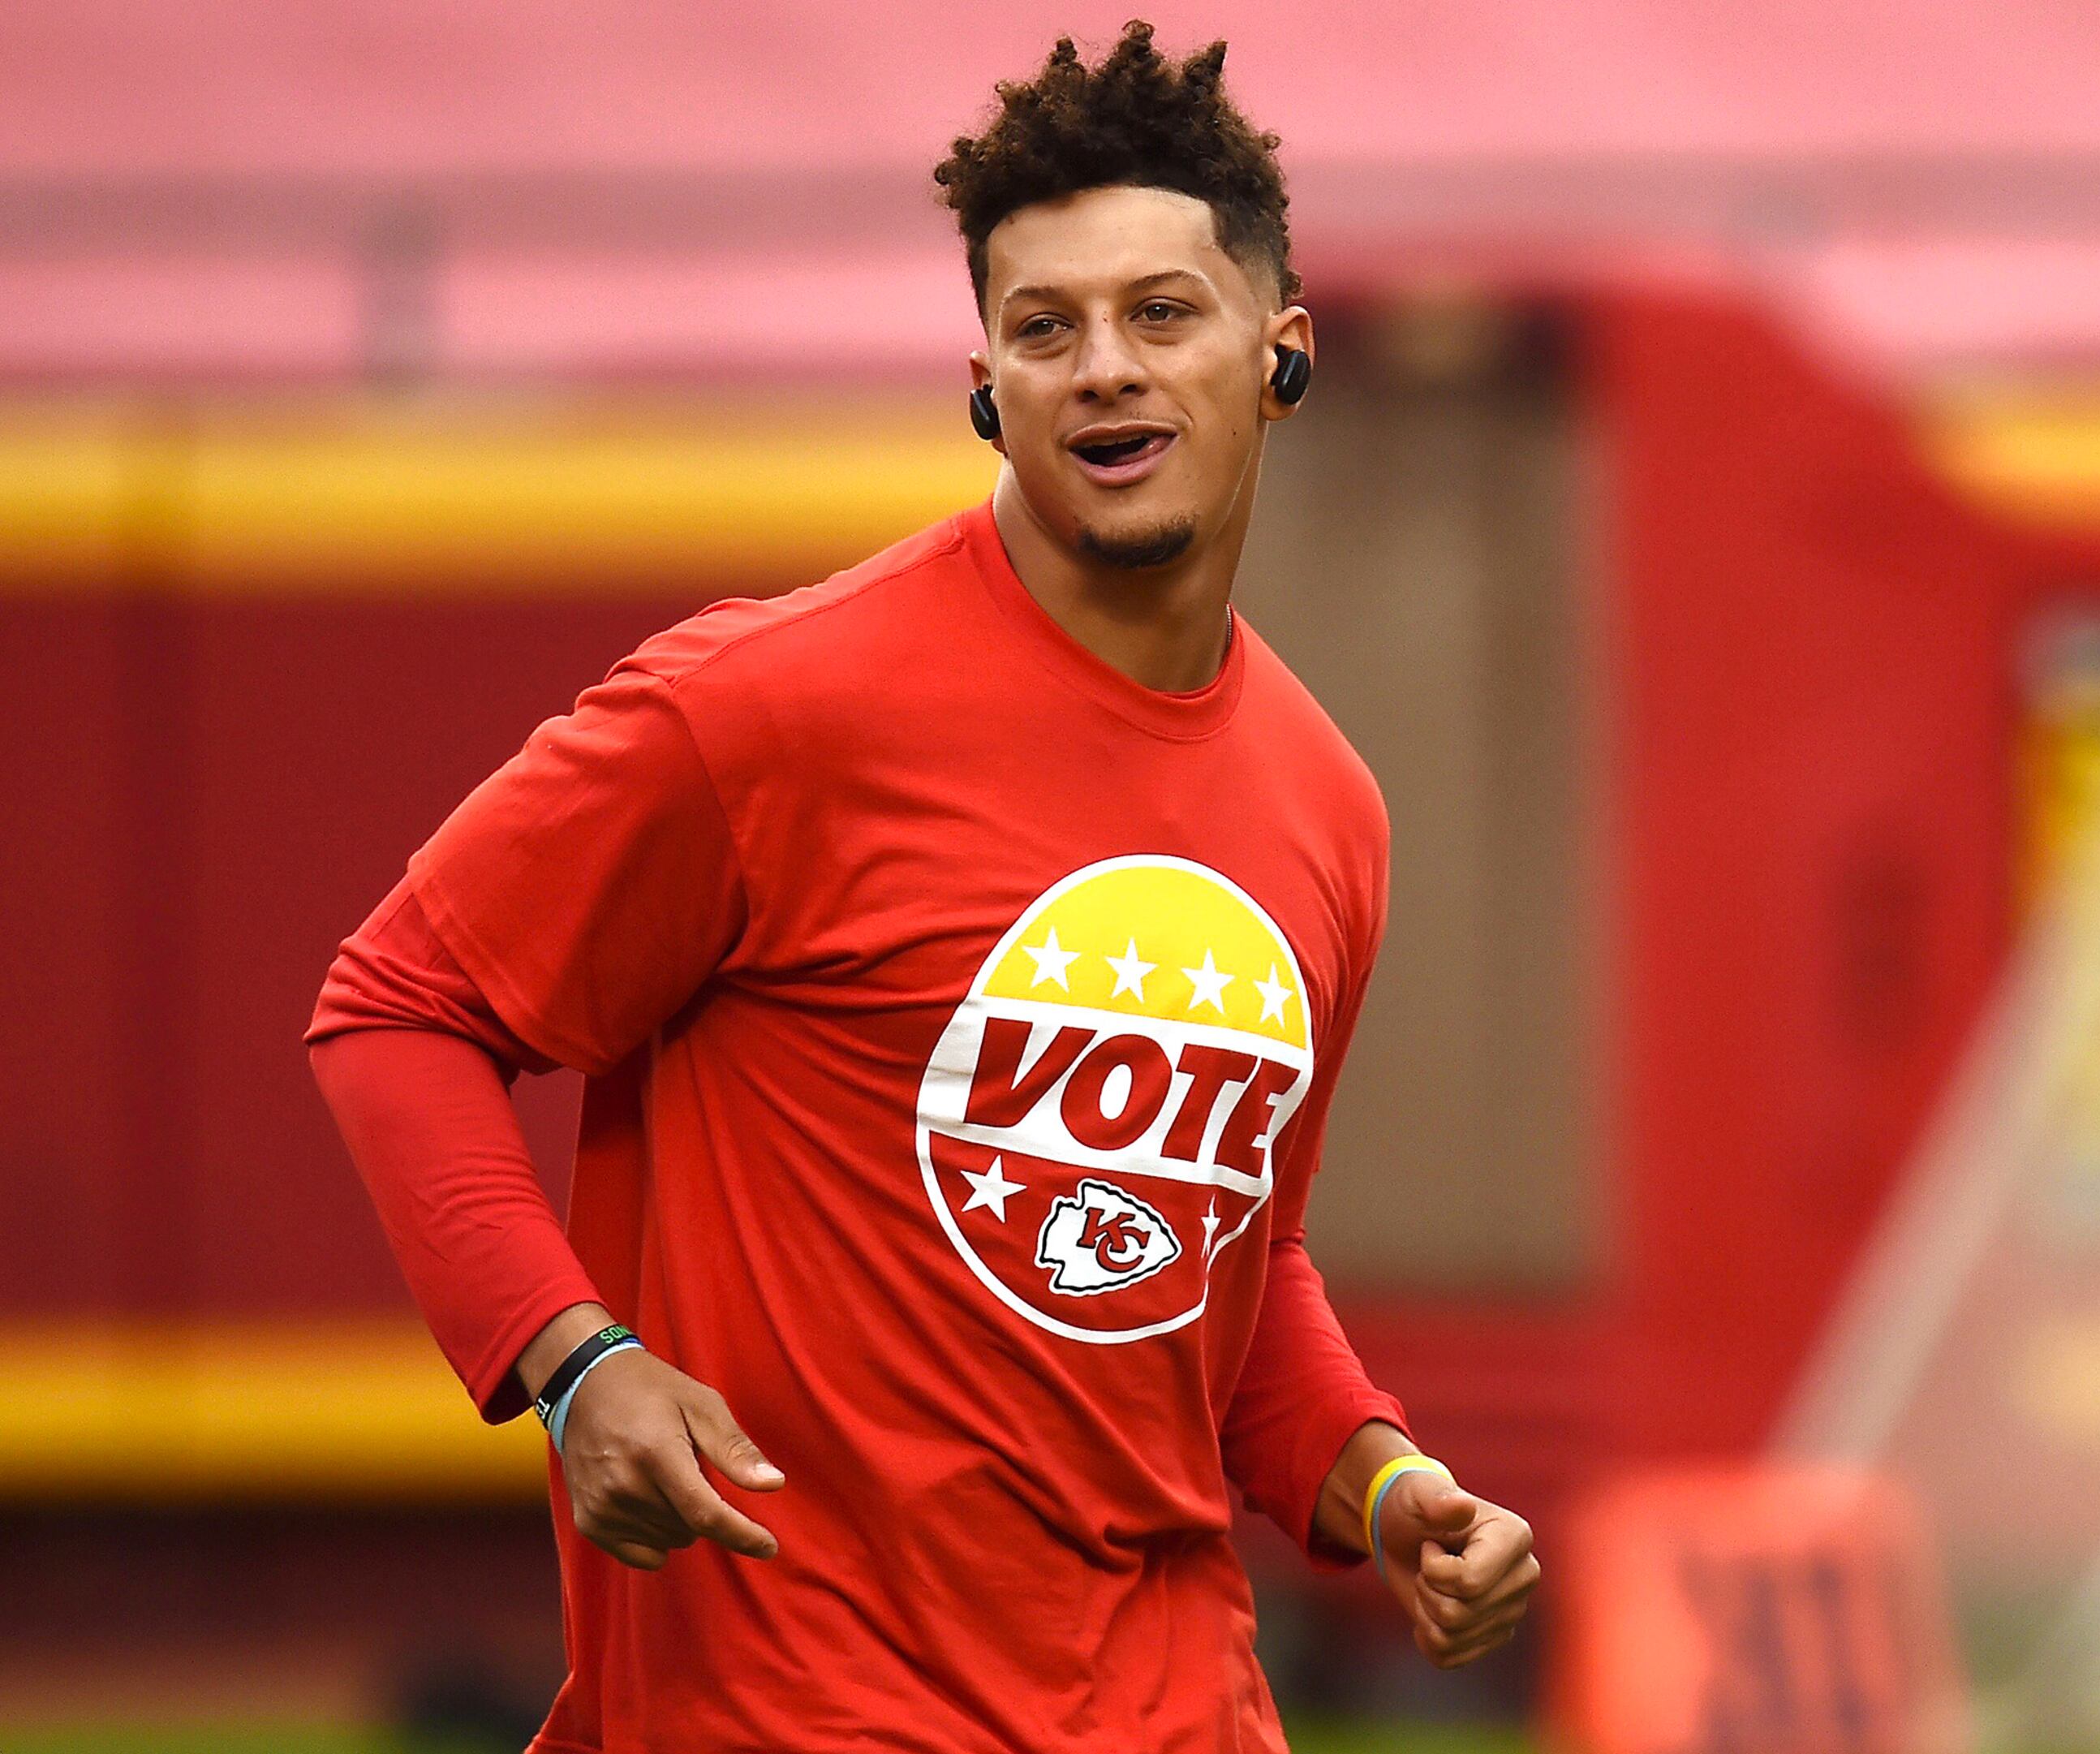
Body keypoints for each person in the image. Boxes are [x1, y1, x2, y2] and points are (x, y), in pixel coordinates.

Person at [306, 24, 1538, 1751]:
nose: (1102, 369)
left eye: (1160, 313)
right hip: (795, 1709)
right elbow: (396, 1008)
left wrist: (1384, 1483)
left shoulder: (1330, 810)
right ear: (987, 384)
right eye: (1046, 329)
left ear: (1283, 350)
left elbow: (1226, 1273)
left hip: (1176, 1709)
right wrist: (575, 1360)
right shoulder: (768, 707)